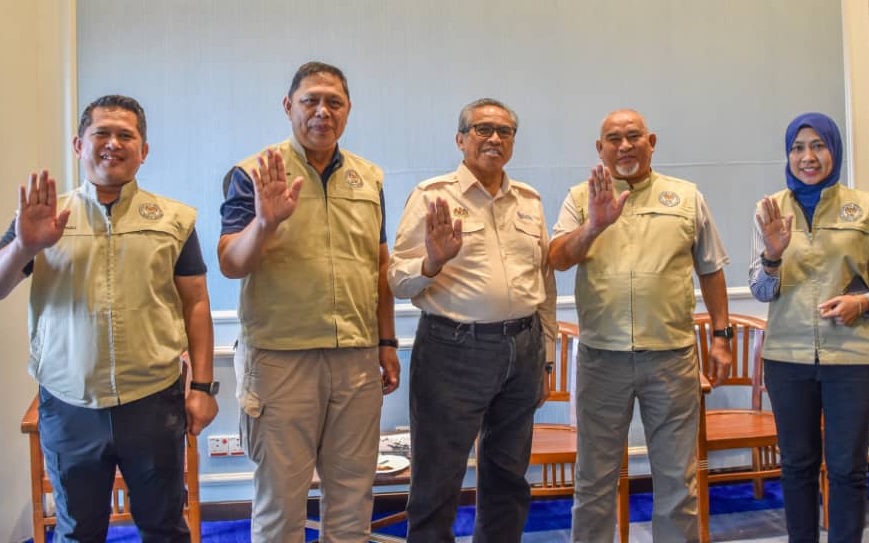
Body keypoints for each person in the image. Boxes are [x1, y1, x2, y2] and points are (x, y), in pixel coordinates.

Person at [0, 95, 218, 543]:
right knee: (79, 532)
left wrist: (201, 388)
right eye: (102, 133)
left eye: (126, 135)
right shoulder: (46, 218)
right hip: (69, 407)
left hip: (152, 402)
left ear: (144, 150)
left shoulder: (174, 220)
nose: (113, 143)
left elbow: (196, 303)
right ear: (79, 145)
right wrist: (25, 246)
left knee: (164, 527)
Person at [217, 62, 400, 543]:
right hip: (281, 361)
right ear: (288, 107)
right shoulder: (253, 174)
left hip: (356, 359)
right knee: (281, 506)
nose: (322, 112)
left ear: (348, 110)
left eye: (333, 102)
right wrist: (265, 223)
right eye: (310, 101)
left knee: (353, 501)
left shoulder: (369, 178)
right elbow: (231, 263)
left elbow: (379, 265)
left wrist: (386, 342)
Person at [548, 109, 732, 543]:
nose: (625, 145)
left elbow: (711, 269)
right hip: (601, 359)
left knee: (677, 481)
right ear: (600, 149)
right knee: (593, 481)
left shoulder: (686, 197)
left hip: (671, 359)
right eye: (614, 139)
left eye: (634, 136)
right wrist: (594, 225)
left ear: (652, 142)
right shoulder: (580, 198)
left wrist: (722, 337)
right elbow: (557, 258)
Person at [388, 98, 557, 543]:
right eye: (483, 129)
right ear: (460, 139)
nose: (494, 138)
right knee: (437, 478)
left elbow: (543, 282)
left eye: (505, 131)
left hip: (523, 348)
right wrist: (432, 261)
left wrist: (546, 359)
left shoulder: (530, 201)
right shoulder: (432, 197)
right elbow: (396, 281)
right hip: (453, 350)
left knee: (509, 477)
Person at [750, 112, 869, 543]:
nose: (808, 157)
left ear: (834, 150)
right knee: (796, 466)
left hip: (855, 360)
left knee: (846, 468)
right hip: (787, 359)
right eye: (798, 148)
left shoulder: (866, 208)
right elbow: (761, 290)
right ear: (788, 155)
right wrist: (772, 256)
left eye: (818, 145)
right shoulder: (769, 211)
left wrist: (862, 302)